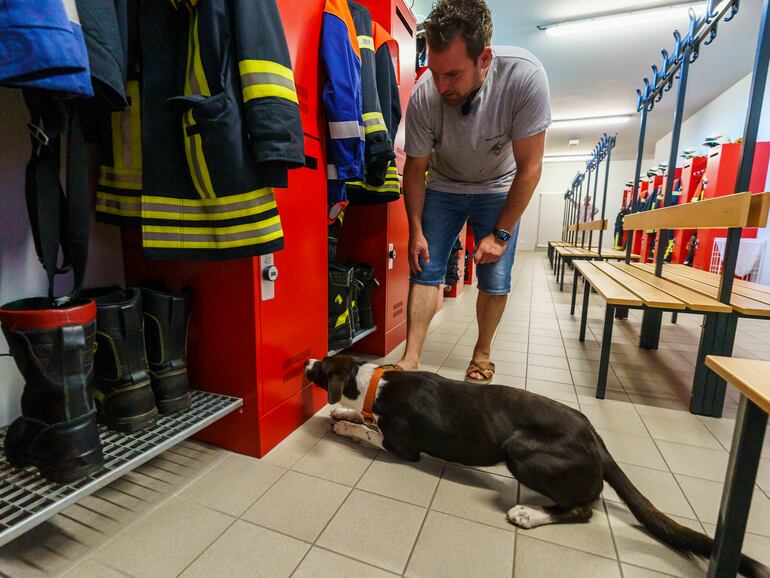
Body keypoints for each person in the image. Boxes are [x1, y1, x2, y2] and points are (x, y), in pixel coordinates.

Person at [393, 0, 551, 383]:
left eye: (452, 74)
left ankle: (481, 356)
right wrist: (414, 229)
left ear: (484, 58)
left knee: (495, 277)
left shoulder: (523, 78)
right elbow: (414, 171)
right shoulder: (425, 96)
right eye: (433, 72)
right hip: (444, 184)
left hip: (498, 186)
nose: (440, 86)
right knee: (425, 269)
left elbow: (530, 168)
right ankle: (411, 358)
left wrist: (501, 234)